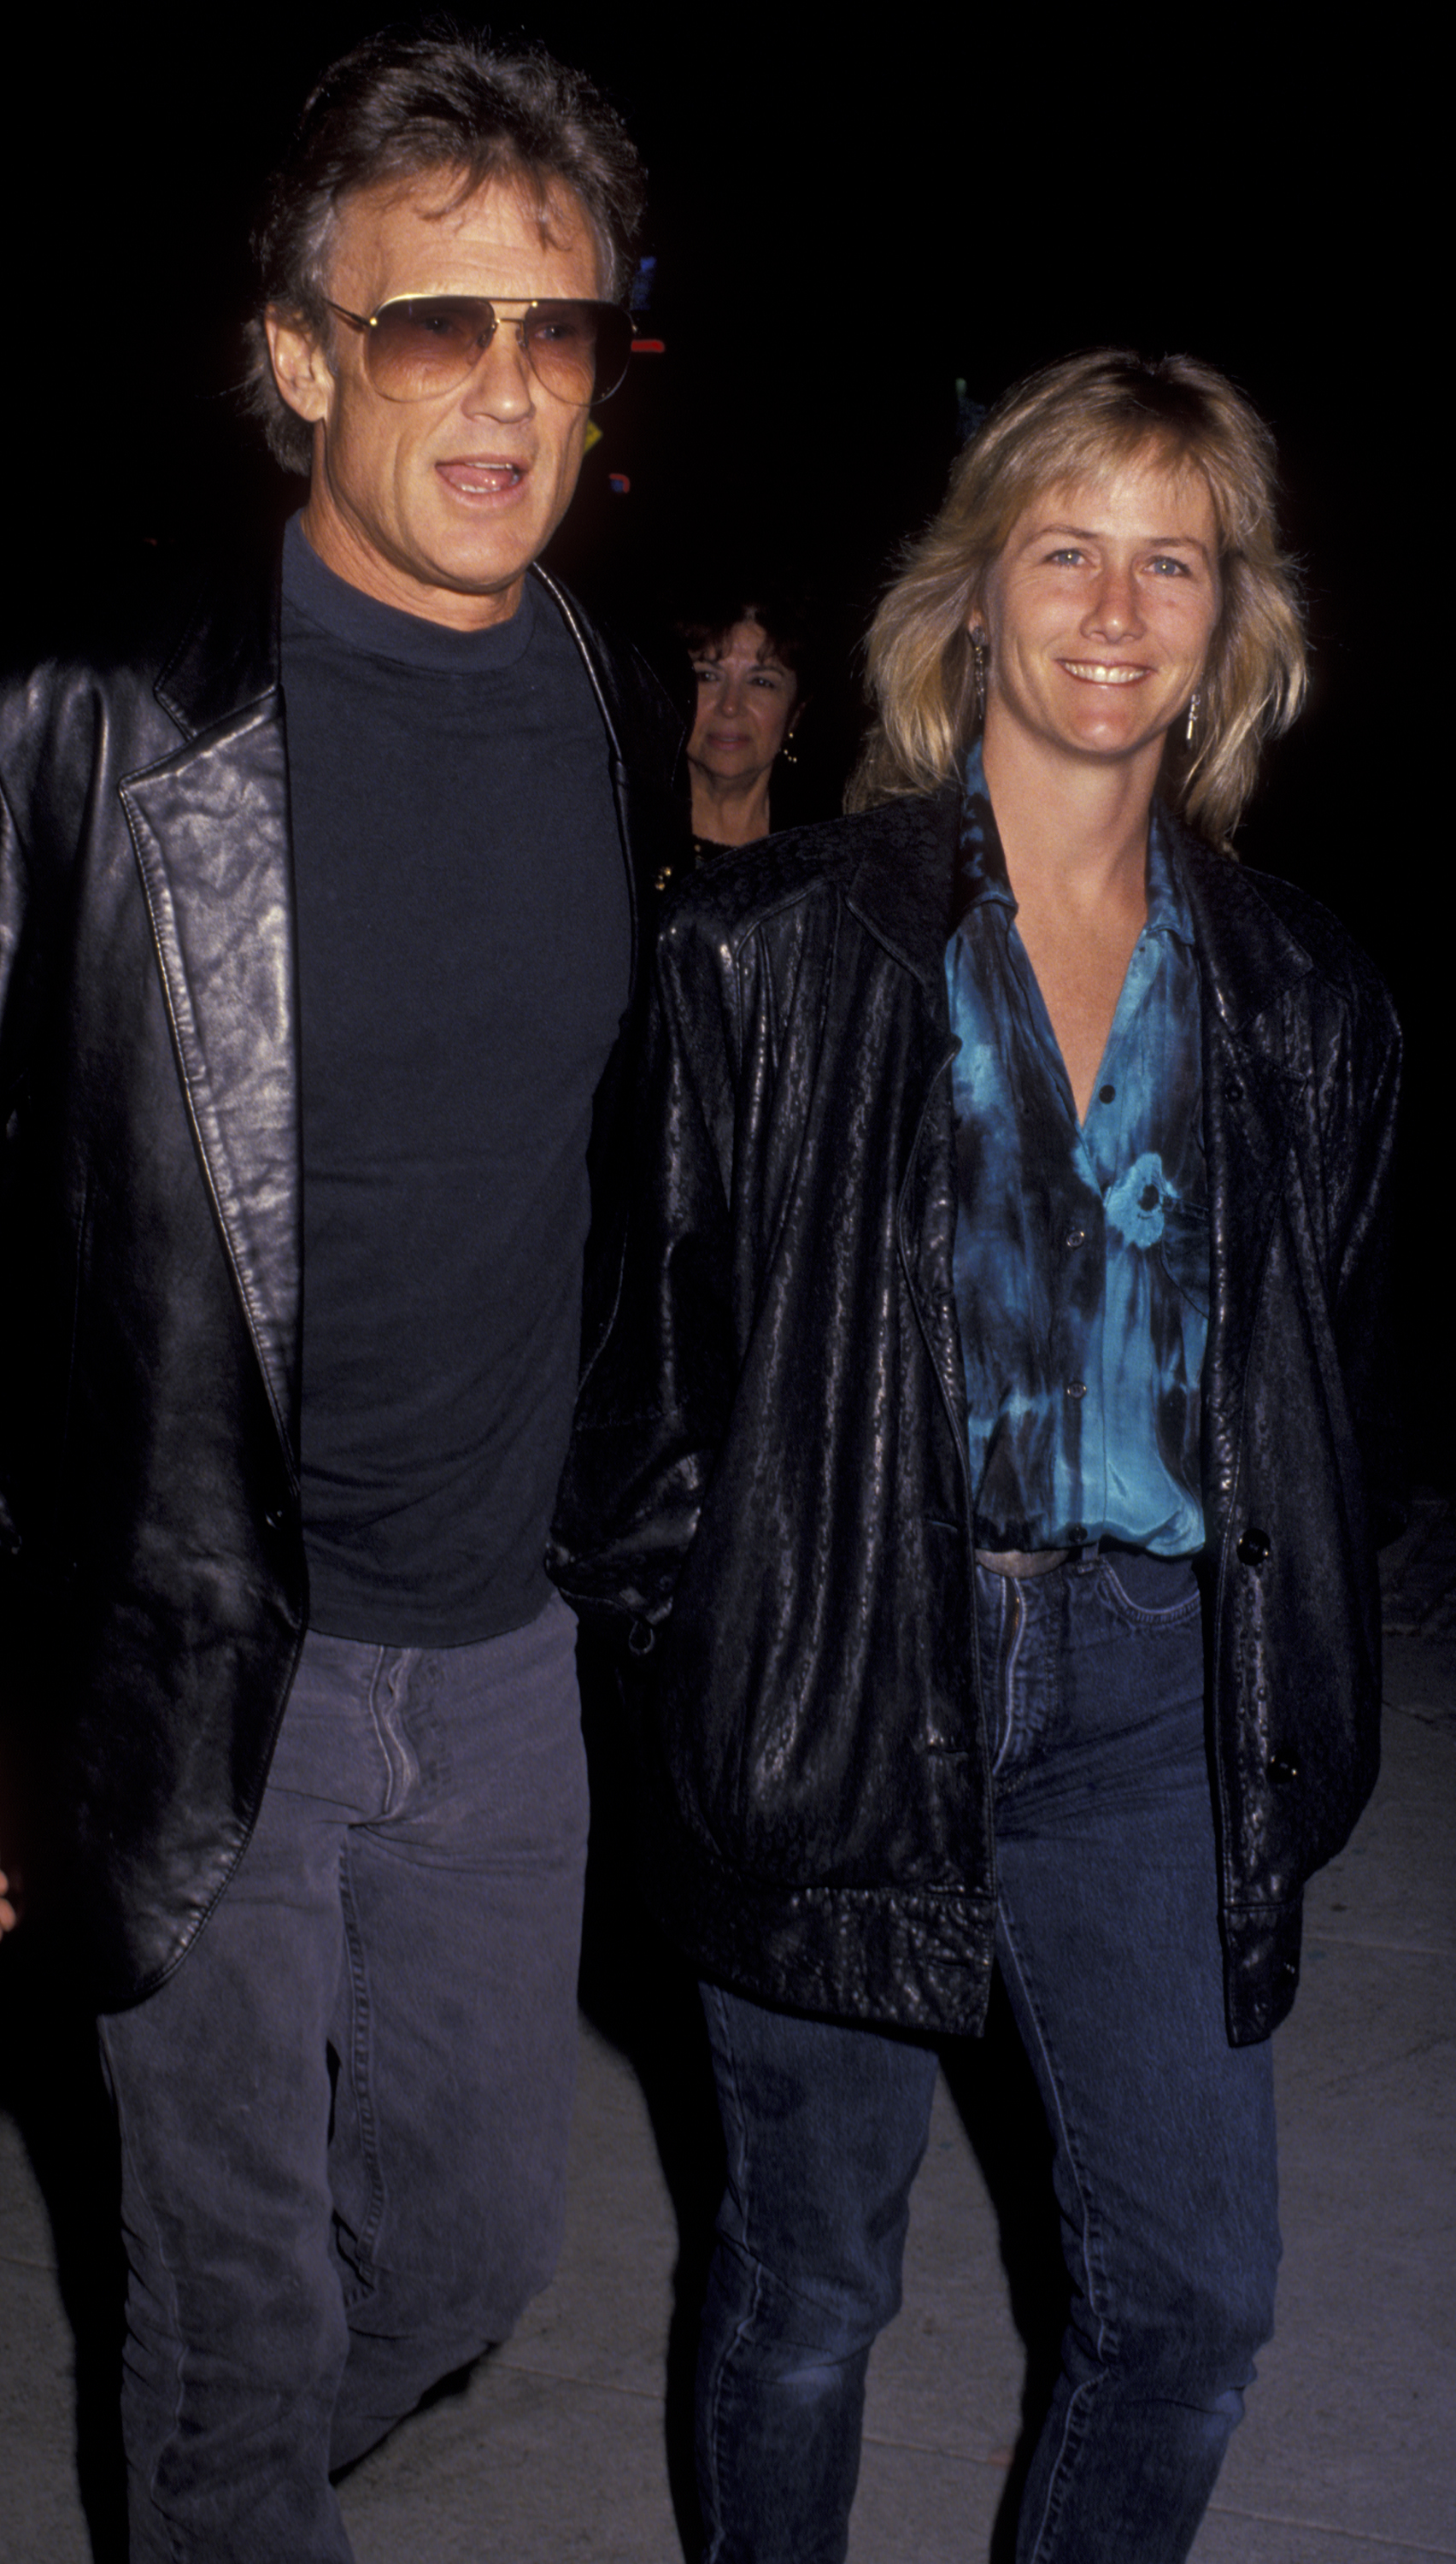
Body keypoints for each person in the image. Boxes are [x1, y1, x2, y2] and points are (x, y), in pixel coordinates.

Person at [0, 29, 683, 2561]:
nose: (507, 390)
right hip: (211, 1650)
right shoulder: (82, 737)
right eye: (440, 325)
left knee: (461, 2256)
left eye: (566, 331)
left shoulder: (599, 700)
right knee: (235, 2312)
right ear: (303, 358)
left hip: (505, 1653)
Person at [553, 350, 1402, 2562]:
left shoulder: (1308, 999)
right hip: (841, 1669)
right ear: (975, 594)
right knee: (817, 2287)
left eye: (1173, 562)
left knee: (1198, 2309)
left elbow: (1334, 1403)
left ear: (1235, 624)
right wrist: (714, 1673)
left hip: (1150, 1699)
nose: (1116, 610)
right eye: (1066, 549)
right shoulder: (769, 952)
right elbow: (637, 1409)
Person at [664, 593, 808, 885]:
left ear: (795, 714)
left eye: (762, 682)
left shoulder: (823, 852)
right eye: (707, 676)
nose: (730, 705)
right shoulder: (624, 825)